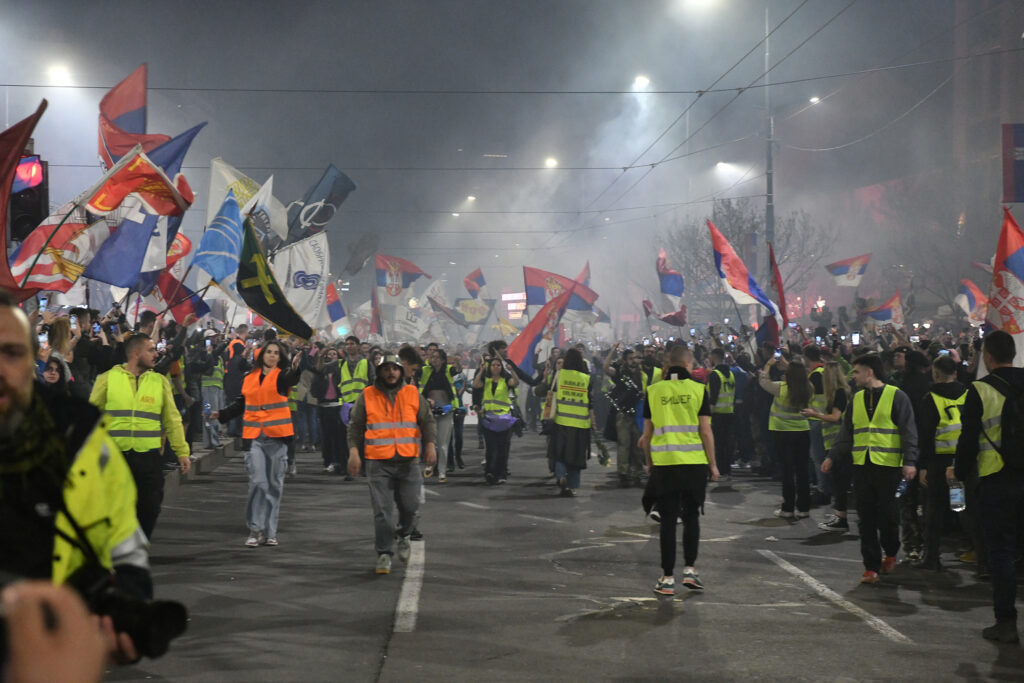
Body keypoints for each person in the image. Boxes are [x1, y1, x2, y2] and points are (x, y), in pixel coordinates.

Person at [0, 290, 148, 665]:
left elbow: (124, 544)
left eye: (11, 353)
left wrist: (124, 610)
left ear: (34, 359)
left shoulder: (78, 436)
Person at [952, 330, 1024, 643]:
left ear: (988, 357)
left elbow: (968, 440)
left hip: (998, 480)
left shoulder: (979, 390)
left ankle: (1005, 623)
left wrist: (958, 473)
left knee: (1001, 552)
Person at [823, 354, 917, 584]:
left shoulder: (897, 396)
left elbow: (908, 431)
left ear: (870, 372)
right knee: (865, 518)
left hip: (889, 467)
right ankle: (871, 566)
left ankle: (891, 551)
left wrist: (910, 461)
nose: (853, 376)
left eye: (856, 371)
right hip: (862, 466)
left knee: (888, 516)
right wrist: (832, 456)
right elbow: (846, 432)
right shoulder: (855, 399)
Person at [89, 334, 191, 540]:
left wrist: (182, 452)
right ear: (135, 354)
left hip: (149, 458)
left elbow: (172, 420)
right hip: (116, 458)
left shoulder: (159, 382)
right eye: (150, 350)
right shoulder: (107, 379)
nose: (156, 354)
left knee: (150, 509)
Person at [346, 353, 437, 575]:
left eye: (395, 369)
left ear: (401, 371)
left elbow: (427, 421)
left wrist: (431, 445)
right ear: (379, 372)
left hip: (408, 462)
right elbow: (355, 426)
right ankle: (384, 553)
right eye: (386, 369)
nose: (391, 373)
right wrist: (353, 452)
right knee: (382, 512)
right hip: (378, 463)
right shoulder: (367, 395)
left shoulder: (413, 393)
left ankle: (404, 534)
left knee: (411, 508)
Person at [639, 346, 718, 596]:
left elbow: (646, 435)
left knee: (668, 521)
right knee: (692, 517)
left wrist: (649, 462)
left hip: (665, 464)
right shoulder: (698, 389)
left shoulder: (653, 391)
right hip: (694, 463)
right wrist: (713, 464)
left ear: (667, 364)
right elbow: (706, 431)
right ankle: (691, 571)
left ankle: (667, 578)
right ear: (687, 364)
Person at [213, 340, 301, 547]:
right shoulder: (249, 377)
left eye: (276, 353)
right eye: (269, 352)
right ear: (262, 355)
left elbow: (292, 378)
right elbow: (241, 403)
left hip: (277, 439)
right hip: (255, 439)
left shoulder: (281, 377)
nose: (272, 355)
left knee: (274, 485)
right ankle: (255, 529)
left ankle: (270, 532)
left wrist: (296, 368)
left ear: (280, 357)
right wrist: (222, 414)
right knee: (258, 483)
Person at [916, 354, 965, 570]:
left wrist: (923, 466)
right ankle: (979, 556)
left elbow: (925, 436)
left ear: (935, 374)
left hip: (938, 463)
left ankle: (932, 556)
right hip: (961, 462)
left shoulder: (930, 399)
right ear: (955, 373)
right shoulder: (968, 394)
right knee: (961, 506)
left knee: (934, 509)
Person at [759, 357, 812, 519]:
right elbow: (800, 377)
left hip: (782, 432)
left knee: (787, 470)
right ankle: (803, 507)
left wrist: (768, 364)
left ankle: (788, 508)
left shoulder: (781, 388)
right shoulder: (809, 388)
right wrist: (793, 368)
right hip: (802, 431)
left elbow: (763, 381)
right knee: (802, 470)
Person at [801, 361, 850, 531]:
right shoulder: (840, 392)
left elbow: (835, 417)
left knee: (839, 482)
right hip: (835, 441)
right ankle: (839, 515)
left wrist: (815, 414)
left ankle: (841, 519)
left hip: (838, 442)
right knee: (837, 480)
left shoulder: (839, 393)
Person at [552, 347, 595, 497]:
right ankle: (572, 486)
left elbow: (549, 392)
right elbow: (590, 403)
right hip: (580, 424)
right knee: (576, 457)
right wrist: (593, 423)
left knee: (560, 454)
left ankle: (561, 476)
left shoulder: (559, 375)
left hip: (561, 422)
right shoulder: (585, 378)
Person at [603, 344, 646, 487]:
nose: (634, 361)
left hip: (638, 414)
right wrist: (612, 350)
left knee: (637, 446)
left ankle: (637, 473)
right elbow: (605, 368)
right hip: (623, 414)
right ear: (625, 360)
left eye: (636, 358)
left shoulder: (642, 374)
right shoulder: (621, 374)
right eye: (630, 358)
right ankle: (623, 473)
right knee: (624, 444)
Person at [473, 355, 519, 484]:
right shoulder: (486, 380)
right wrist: (481, 370)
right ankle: (490, 472)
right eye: (493, 365)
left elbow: (516, 382)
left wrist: (512, 370)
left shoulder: (506, 380)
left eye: (498, 365)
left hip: (504, 419)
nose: (496, 367)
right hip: (489, 419)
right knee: (490, 448)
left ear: (501, 367)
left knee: (502, 449)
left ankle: (501, 474)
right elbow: (475, 385)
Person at [420, 348, 458, 483]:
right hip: (429, 410)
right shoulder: (425, 370)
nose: (434, 359)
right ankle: (430, 464)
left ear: (442, 360)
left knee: (443, 444)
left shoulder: (448, 370)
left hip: (446, 409)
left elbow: (457, 370)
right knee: (430, 441)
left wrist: (457, 362)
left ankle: (442, 472)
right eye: (432, 357)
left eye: (437, 357)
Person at [707, 348, 736, 480]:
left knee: (718, 443)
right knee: (727, 443)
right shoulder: (730, 374)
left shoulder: (715, 375)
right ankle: (727, 469)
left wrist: (709, 414)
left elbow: (713, 396)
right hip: (729, 412)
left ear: (714, 357)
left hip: (717, 414)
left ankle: (719, 468)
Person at [222, 324, 250, 438]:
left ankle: (233, 430)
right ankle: (233, 430)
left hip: (231, 379)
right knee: (235, 404)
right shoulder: (237, 344)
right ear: (245, 331)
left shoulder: (235, 344)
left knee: (233, 404)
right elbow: (243, 362)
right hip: (234, 380)